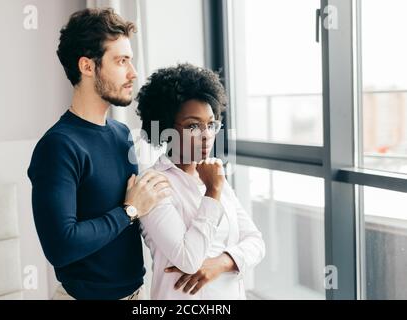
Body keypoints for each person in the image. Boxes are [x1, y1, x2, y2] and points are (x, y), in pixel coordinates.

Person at [27, 8, 171, 300]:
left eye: (131, 61)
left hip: (136, 294)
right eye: (121, 61)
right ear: (87, 66)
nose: (133, 73)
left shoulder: (120, 135)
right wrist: (129, 211)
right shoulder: (58, 146)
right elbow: (61, 247)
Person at [136, 63, 266, 300]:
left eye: (211, 124)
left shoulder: (213, 174)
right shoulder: (153, 184)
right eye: (193, 126)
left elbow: (256, 242)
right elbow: (188, 258)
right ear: (165, 128)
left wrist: (221, 263)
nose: (207, 135)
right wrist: (213, 192)